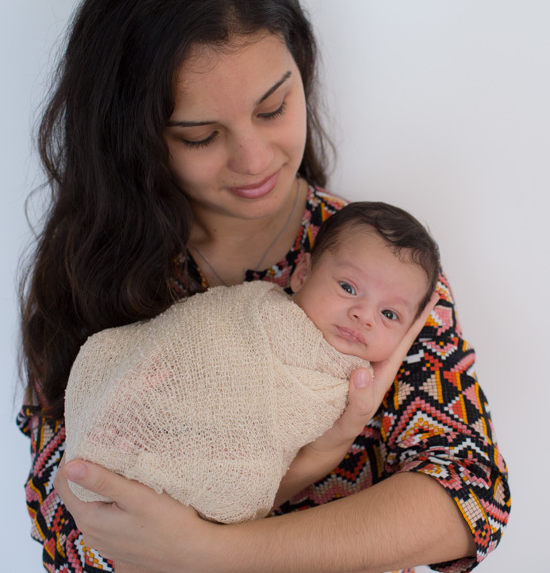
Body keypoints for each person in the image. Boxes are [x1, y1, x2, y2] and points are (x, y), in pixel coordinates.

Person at [18, 0, 509, 573]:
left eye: (274, 107)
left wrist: (212, 551)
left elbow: (470, 494)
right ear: (134, 137)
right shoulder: (90, 274)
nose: (255, 158)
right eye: (201, 135)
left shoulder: (377, 269)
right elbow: (69, 527)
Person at [64, 202, 441, 526]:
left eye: (390, 313)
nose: (364, 315)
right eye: (348, 288)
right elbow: (192, 335)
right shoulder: (255, 307)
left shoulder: (352, 382)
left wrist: (341, 432)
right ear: (303, 273)